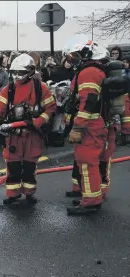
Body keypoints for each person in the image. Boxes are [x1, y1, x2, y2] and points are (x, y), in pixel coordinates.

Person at [0, 54, 56, 205]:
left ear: (30, 72)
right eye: (14, 72)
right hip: (14, 135)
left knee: (30, 165)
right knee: (13, 165)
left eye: (20, 73)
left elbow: (51, 108)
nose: (17, 76)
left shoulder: (40, 87)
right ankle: (13, 194)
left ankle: (29, 193)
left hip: (32, 134)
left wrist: (38, 121)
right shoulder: (9, 89)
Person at [63, 37, 115, 215]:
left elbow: (88, 102)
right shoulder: (94, 70)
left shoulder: (89, 72)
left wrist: (78, 126)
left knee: (88, 162)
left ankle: (91, 201)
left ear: (85, 54)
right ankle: (90, 196)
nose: (72, 61)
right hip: (96, 124)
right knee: (88, 162)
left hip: (90, 126)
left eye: (75, 56)